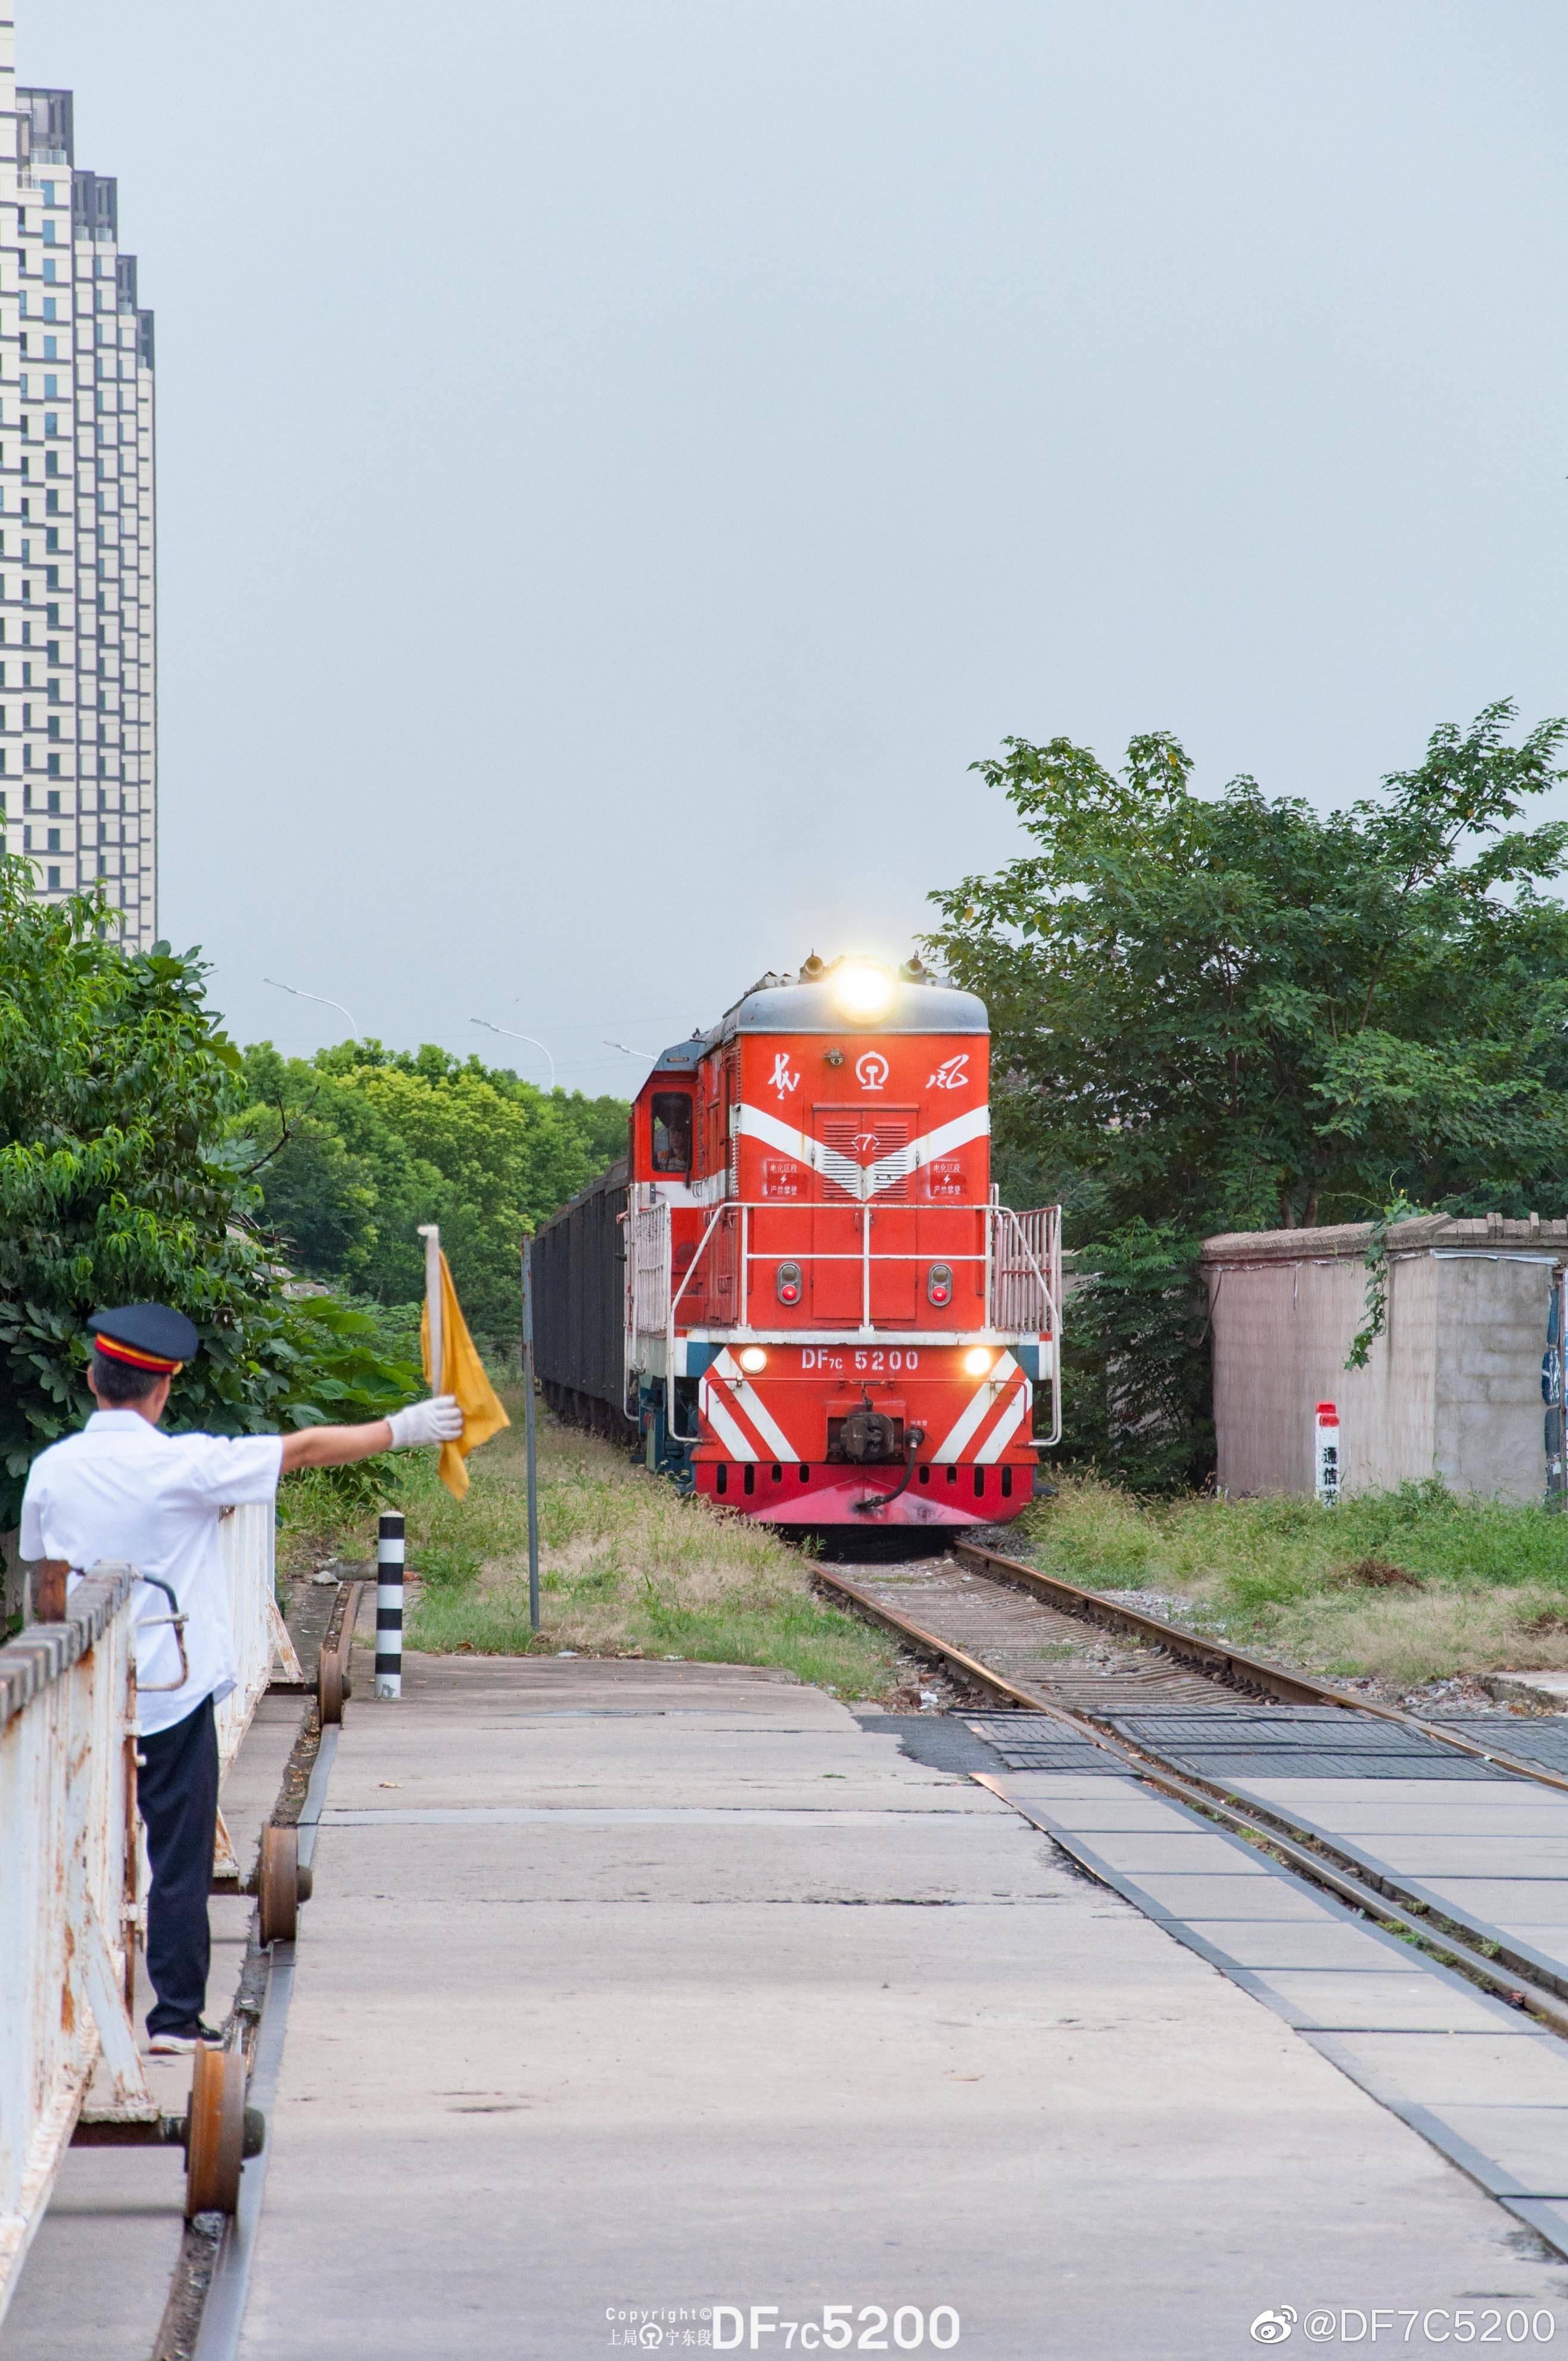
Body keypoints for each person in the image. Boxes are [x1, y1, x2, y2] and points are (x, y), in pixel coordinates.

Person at [19, 1301, 463, 2054]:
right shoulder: (186, 1463)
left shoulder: (51, 1469)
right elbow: (305, 1448)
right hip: (171, 1689)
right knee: (177, 1856)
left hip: (76, 1687)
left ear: (94, 1380)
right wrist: (408, 1428)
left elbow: (44, 1580)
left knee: (73, 1845)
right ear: (162, 1392)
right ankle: (174, 2020)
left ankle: (49, 2012)